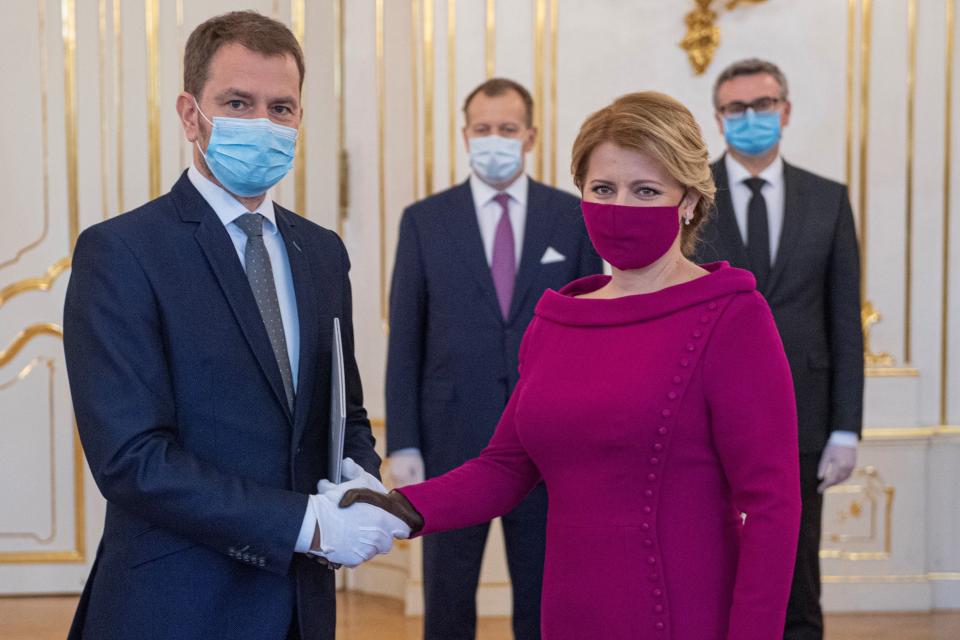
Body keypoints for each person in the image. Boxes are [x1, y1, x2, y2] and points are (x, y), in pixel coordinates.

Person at [343, 91, 802, 639]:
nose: (621, 207)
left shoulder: (732, 315)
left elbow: (772, 504)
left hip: (680, 613)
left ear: (687, 201)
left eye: (646, 190)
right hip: (570, 612)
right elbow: (505, 468)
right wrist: (401, 508)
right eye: (603, 188)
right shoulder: (558, 320)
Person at [62, 11, 406, 640]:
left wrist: (359, 476)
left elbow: (344, 410)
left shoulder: (322, 251)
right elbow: (131, 458)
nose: (262, 124)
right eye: (238, 102)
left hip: (301, 604)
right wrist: (305, 523)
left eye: (281, 108)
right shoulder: (123, 251)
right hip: (176, 603)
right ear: (191, 115)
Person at [385, 77, 602, 639]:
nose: (495, 140)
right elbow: (406, 339)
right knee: (448, 592)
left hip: (546, 443)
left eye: (507, 129)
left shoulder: (571, 217)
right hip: (452, 442)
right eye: (483, 129)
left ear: (530, 136)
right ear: (464, 135)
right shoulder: (425, 221)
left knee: (544, 591)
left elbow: (590, 333)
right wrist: (405, 443)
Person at [694, 58, 864, 640]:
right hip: (709, 419)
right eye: (736, 109)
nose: (750, 118)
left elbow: (844, 320)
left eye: (762, 106)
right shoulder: (691, 201)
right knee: (712, 564)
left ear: (785, 111)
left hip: (804, 421)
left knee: (795, 570)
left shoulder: (829, 199)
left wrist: (846, 429)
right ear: (719, 119)